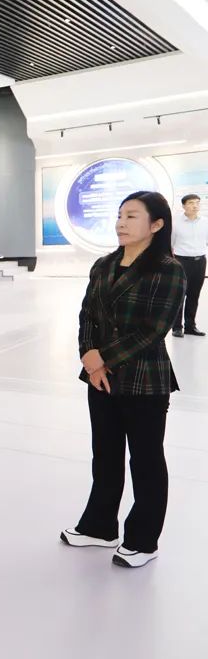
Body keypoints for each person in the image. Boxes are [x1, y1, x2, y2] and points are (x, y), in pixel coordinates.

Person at [62, 191, 185, 569]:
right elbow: (87, 315)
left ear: (157, 224)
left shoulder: (168, 269)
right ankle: (100, 527)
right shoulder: (103, 264)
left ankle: (144, 541)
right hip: (100, 379)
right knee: (105, 454)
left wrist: (103, 357)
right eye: (120, 215)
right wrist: (89, 357)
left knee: (146, 460)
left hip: (144, 380)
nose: (121, 223)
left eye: (131, 216)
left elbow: (154, 329)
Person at [170, 194, 207, 337]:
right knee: (179, 295)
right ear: (184, 206)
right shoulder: (176, 223)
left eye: (197, 202)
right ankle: (176, 328)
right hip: (181, 262)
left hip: (200, 262)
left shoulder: (205, 222)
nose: (195, 206)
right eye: (191, 203)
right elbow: (170, 244)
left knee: (194, 295)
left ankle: (190, 326)